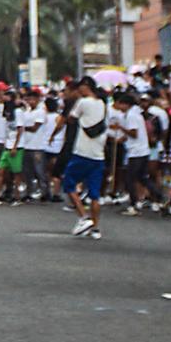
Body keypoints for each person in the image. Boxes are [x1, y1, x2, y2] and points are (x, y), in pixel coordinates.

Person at [62, 78, 108, 239]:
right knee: (95, 194)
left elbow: (71, 118)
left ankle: (83, 217)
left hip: (82, 152)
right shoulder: (102, 103)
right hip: (98, 154)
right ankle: (95, 228)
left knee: (69, 183)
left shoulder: (83, 102)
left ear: (85, 87)